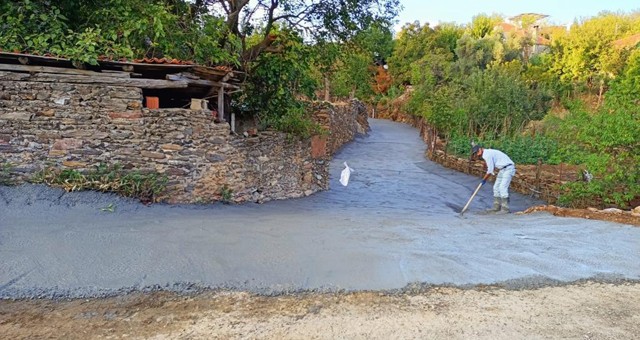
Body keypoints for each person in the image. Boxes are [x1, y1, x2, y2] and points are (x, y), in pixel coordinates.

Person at [472, 145, 516, 214]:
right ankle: (496, 207)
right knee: (496, 187)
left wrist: (484, 180)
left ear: (480, 149)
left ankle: (505, 209)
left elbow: (490, 170)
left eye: (478, 151)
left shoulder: (487, 154)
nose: (477, 153)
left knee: (502, 187)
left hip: (508, 168)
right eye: (476, 153)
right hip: (502, 169)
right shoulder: (486, 153)